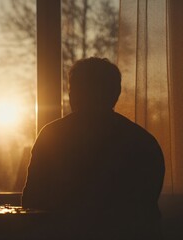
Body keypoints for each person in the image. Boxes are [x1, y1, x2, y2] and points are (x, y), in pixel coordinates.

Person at [22, 58, 165, 238]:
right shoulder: (142, 141)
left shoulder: (52, 136)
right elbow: (146, 208)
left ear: (74, 94)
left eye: (73, 89)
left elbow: (32, 201)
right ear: (116, 93)